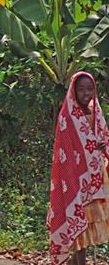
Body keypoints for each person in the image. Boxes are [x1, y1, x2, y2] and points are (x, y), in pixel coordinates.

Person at [47, 71, 109, 265]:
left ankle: (78, 261)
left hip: (96, 179)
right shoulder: (67, 116)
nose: (86, 93)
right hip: (74, 179)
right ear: (74, 91)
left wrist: (102, 146)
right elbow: (64, 149)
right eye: (81, 89)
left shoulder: (96, 112)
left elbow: (104, 138)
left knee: (88, 223)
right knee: (76, 219)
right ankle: (79, 262)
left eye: (90, 89)